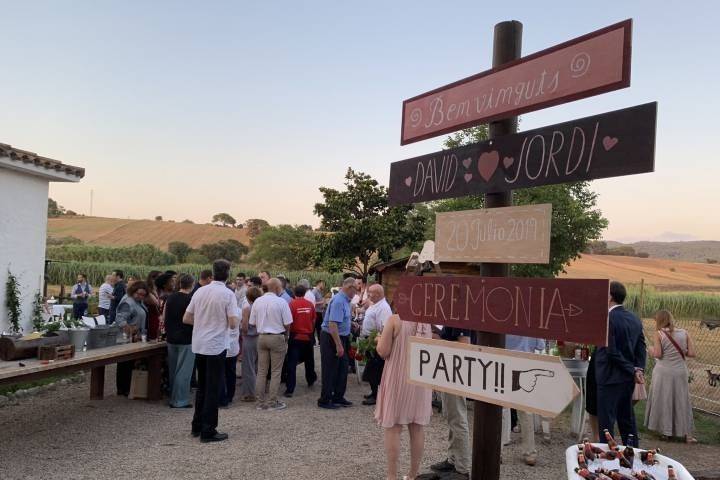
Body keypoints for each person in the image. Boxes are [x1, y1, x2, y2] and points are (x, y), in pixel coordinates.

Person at [183, 259, 239, 443]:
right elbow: (232, 323)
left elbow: (187, 318)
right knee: (213, 388)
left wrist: (202, 323)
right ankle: (209, 430)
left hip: (199, 343)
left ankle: (196, 426)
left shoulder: (200, 292)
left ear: (213, 272)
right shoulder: (227, 294)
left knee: (202, 387)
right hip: (215, 345)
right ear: (228, 273)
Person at [375, 314, 432, 480]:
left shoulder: (395, 319)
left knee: (393, 427)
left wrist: (378, 339)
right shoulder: (427, 321)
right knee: (417, 428)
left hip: (397, 378)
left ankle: (392, 475)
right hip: (420, 379)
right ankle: (413, 474)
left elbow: (383, 350)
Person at [595, 281, 646, 447]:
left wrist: (632, 369)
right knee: (627, 419)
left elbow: (611, 351)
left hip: (609, 377)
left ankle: (607, 457)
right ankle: (633, 452)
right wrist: (638, 369)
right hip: (627, 379)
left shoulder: (607, 318)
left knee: (606, 423)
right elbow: (641, 346)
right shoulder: (634, 319)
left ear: (610, 296)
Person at [645, 310, 697, 443]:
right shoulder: (684, 333)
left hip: (664, 371)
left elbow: (658, 354)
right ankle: (687, 434)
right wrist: (680, 350)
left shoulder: (659, 334)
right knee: (682, 400)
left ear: (660, 321)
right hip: (680, 371)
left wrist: (650, 350)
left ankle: (666, 432)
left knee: (664, 400)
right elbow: (691, 353)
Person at [430, 327, 473, 479]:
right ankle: (453, 460)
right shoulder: (454, 315)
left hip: (456, 373)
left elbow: (464, 345)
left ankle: (462, 468)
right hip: (450, 371)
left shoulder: (460, 315)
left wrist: (437, 339)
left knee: (457, 419)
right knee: (451, 416)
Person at [249, 278, 293, 411]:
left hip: (262, 337)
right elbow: (287, 323)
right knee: (275, 371)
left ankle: (259, 402)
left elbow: (252, 322)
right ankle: (273, 402)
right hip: (277, 336)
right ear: (277, 288)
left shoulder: (258, 301)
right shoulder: (281, 302)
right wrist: (286, 335)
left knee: (262, 371)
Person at [503, 335, 546, 466]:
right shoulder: (533, 319)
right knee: (526, 411)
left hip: (506, 359)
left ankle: (498, 448)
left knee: (503, 408)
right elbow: (541, 345)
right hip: (526, 362)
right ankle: (529, 452)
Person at [318, 277, 356, 409]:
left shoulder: (345, 300)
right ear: (349, 287)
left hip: (341, 337)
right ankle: (325, 399)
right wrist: (339, 345)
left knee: (342, 368)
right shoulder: (339, 301)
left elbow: (342, 319)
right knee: (330, 369)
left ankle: (338, 396)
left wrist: (352, 324)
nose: (356, 292)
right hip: (332, 337)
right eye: (355, 289)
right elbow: (333, 324)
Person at [165, 274, 195, 408]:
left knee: (173, 369)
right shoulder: (190, 299)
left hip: (171, 337)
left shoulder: (170, 298)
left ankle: (172, 396)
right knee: (184, 371)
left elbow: (164, 316)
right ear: (192, 285)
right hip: (186, 337)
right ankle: (180, 400)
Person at [114, 281, 149, 396]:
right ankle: (123, 389)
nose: (141, 296)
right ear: (133, 291)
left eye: (143, 295)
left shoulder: (138, 301)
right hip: (126, 339)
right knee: (125, 364)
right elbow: (120, 320)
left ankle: (129, 388)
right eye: (139, 294)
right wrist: (130, 331)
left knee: (130, 363)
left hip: (136, 338)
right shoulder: (127, 302)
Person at [361, 284, 392, 406]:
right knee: (371, 367)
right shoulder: (375, 304)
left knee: (374, 369)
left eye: (371, 293)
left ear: (379, 294)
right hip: (370, 339)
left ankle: (376, 395)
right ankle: (373, 392)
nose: (368, 295)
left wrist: (377, 340)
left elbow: (385, 328)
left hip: (376, 340)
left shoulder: (384, 308)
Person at [284, 284, 317, 397]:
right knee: (309, 360)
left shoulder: (291, 304)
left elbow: (289, 321)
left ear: (294, 293)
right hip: (308, 336)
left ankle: (290, 389)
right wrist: (310, 331)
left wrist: (287, 334)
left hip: (295, 336)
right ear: (304, 293)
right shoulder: (310, 305)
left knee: (292, 363)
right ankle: (311, 380)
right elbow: (313, 320)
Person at [239, 286, 263, 402]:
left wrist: (243, 332)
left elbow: (244, 326)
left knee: (248, 366)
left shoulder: (247, 308)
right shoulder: (262, 307)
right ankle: (260, 390)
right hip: (260, 337)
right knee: (259, 366)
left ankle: (250, 393)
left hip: (249, 338)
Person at [220, 286, 241, 407]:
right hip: (232, 345)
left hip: (224, 345)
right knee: (230, 372)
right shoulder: (238, 310)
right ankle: (230, 395)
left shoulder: (220, 310)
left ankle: (223, 396)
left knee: (221, 372)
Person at [312, 280, 327, 344]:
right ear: (319, 284)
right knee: (315, 327)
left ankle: (320, 341)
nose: (324, 285)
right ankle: (313, 341)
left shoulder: (320, 292)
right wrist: (322, 302)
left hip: (320, 312)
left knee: (319, 327)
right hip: (316, 312)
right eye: (323, 284)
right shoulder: (314, 292)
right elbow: (312, 302)